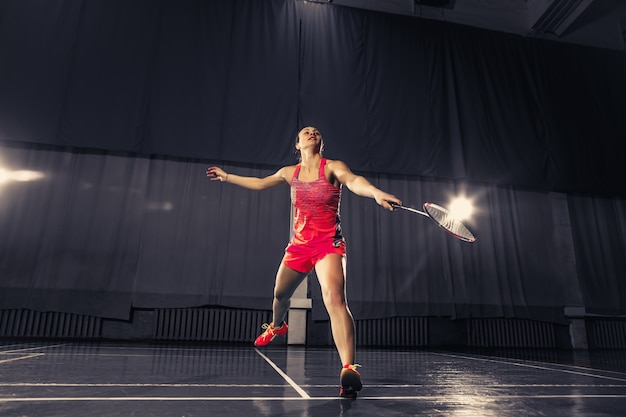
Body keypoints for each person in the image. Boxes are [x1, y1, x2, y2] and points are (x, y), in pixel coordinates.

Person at [206, 126, 400, 398]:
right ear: (297, 144)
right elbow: (261, 183)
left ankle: (349, 369)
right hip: (299, 246)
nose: (311, 132)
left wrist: (376, 192)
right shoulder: (289, 173)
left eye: (315, 131)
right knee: (279, 295)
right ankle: (277, 325)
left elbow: (355, 181)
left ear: (321, 141)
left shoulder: (332, 167)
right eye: (305, 131)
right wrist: (227, 177)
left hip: (328, 245)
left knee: (335, 299)